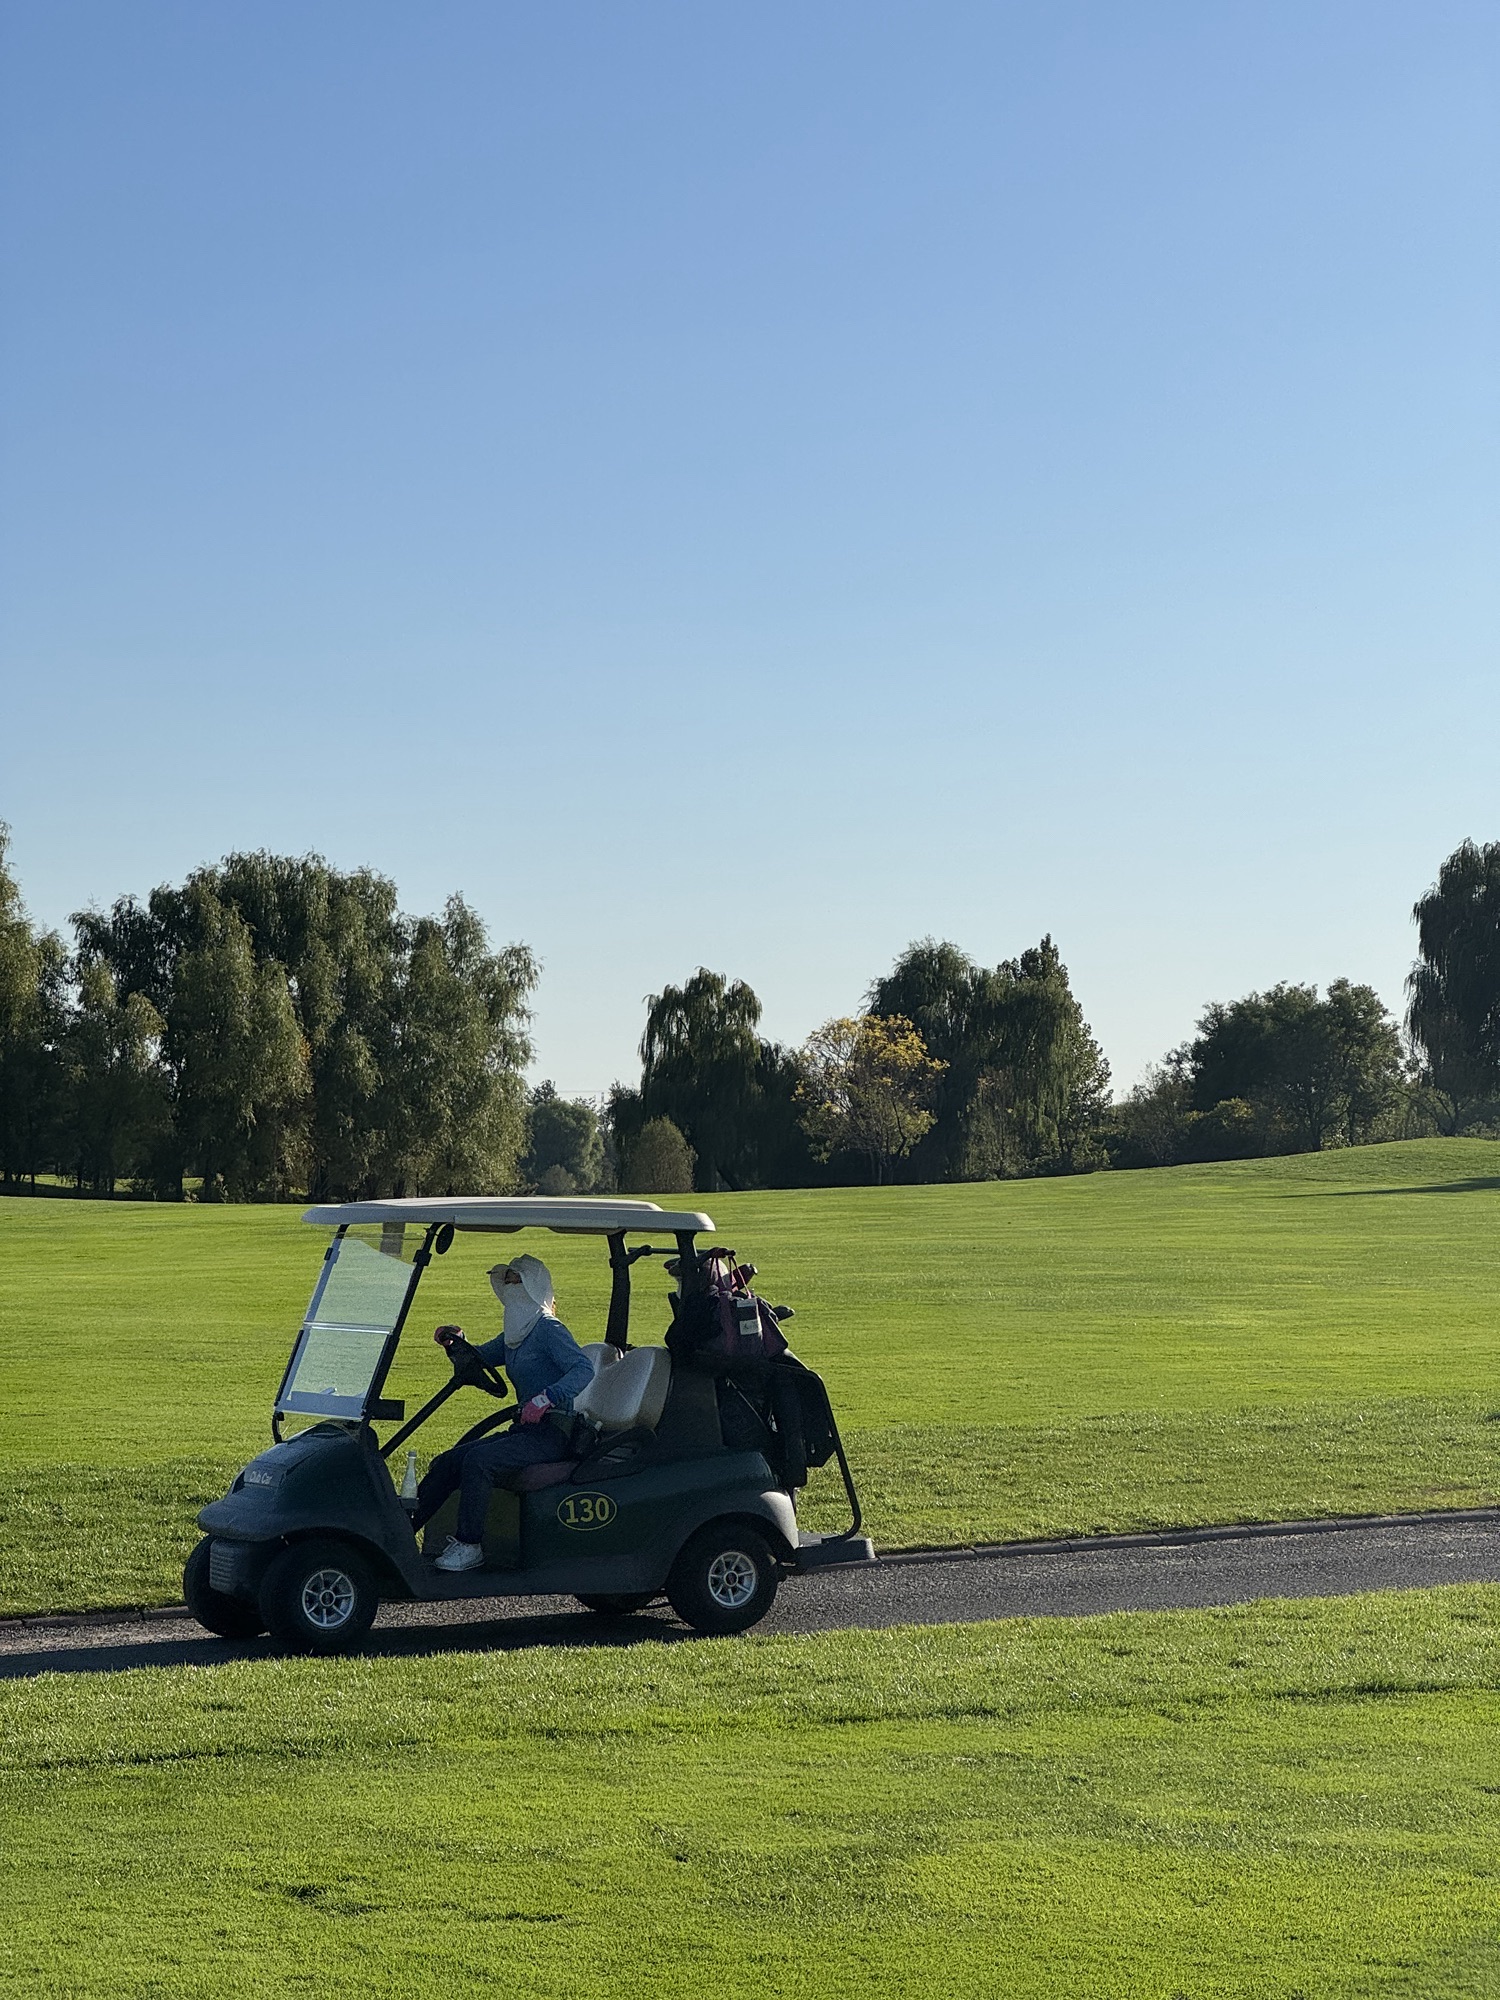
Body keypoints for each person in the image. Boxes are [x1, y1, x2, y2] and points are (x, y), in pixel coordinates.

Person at [412, 1253, 594, 1573]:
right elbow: (480, 1357)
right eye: (506, 1281)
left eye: (516, 1281)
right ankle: (402, 1533)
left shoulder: (548, 1328)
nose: (510, 1288)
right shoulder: (516, 1333)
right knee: (448, 1460)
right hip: (526, 1430)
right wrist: (455, 1344)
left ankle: (470, 1545)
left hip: (554, 1432)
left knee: (480, 1461)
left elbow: (582, 1369)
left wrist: (546, 1398)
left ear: (533, 1286)